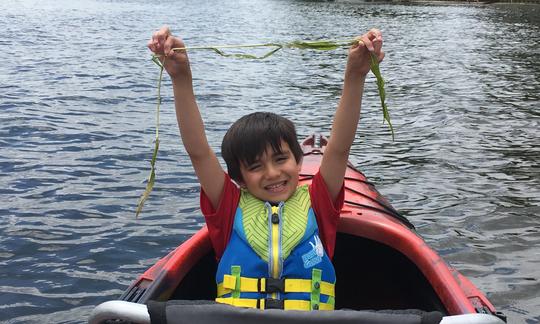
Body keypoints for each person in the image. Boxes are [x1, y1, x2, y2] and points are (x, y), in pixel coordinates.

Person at [147, 26, 384, 311]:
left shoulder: (318, 201)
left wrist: (356, 75)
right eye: (256, 166)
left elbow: (339, 148)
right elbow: (199, 152)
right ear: (240, 179)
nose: (272, 173)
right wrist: (180, 76)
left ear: (299, 161)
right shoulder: (228, 206)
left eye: (281, 159)